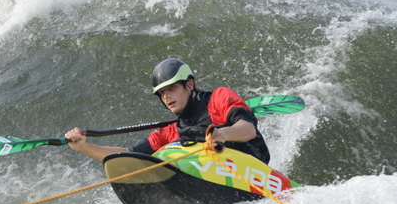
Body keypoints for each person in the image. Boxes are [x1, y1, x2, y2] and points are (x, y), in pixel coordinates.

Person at [65, 58, 270, 164]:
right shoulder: (174, 130)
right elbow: (129, 155)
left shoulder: (218, 98)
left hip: (254, 165)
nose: (166, 97)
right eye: (162, 93)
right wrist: (84, 147)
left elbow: (248, 129)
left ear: (189, 84)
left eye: (171, 88)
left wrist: (223, 133)